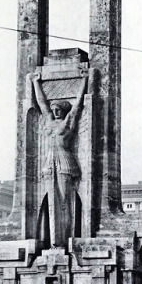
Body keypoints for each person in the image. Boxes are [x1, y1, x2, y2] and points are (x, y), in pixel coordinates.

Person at [31, 70, 88, 248]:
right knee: (50, 201)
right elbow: (42, 104)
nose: (54, 111)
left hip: (64, 161)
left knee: (65, 200)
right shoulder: (48, 121)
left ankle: (65, 239)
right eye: (53, 109)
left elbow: (78, 105)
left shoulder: (67, 123)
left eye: (58, 109)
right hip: (49, 162)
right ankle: (53, 240)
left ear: (63, 111)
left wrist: (85, 80)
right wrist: (35, 83)